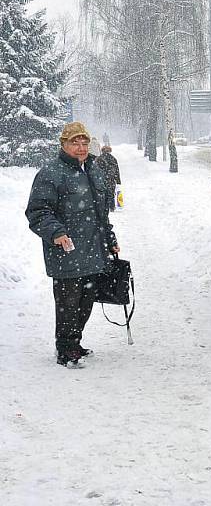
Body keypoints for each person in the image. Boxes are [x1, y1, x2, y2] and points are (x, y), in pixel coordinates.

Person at [25, 122, 120, 368]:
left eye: (84, 142)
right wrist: (56, 233)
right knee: (68, 304)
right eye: (74, 143)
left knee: (86, 301)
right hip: (66, 251)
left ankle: (74, 343)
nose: (80, 147)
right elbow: (38, 211)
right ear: (63, 144)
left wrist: (110, 240)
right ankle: (65, 350)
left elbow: (101, 215)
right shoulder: (51, 173)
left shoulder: (93, 170)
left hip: (93, 249)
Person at [96, 145, 122, 211]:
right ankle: (112, 207)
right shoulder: (113, 158)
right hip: (111, 179)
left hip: (102, 178)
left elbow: (95, 169)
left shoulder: (99, 158)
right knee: (111, 193)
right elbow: (117, 170)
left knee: (103, 193)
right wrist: (118, 180)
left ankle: (104, 206)